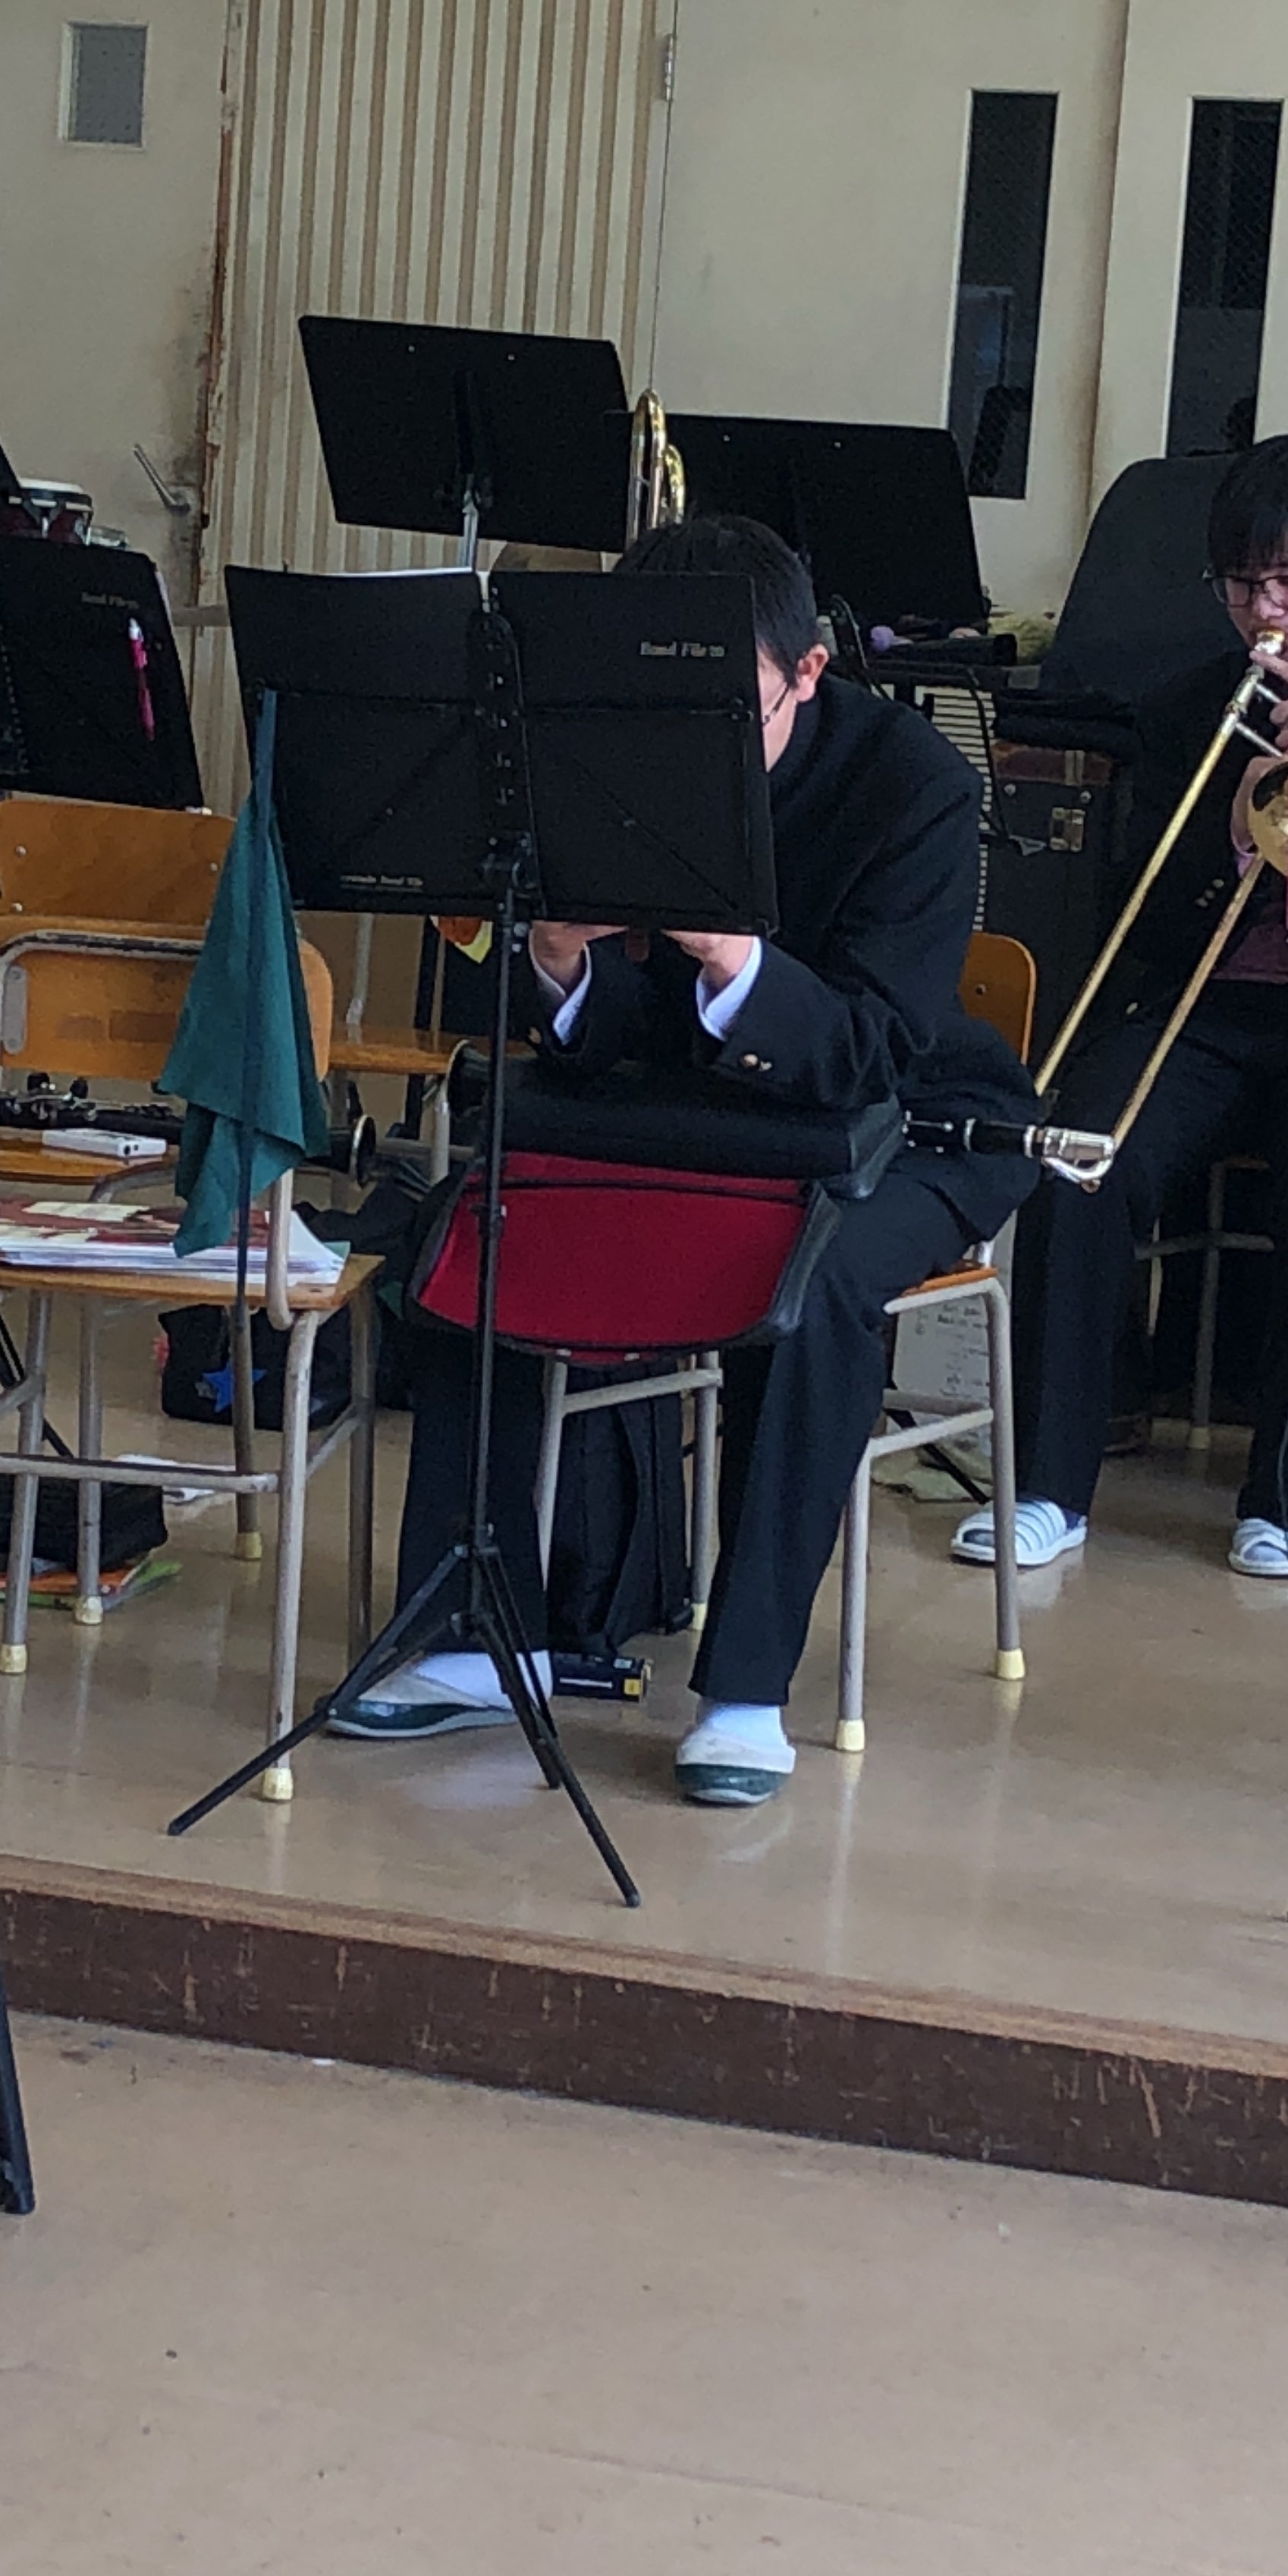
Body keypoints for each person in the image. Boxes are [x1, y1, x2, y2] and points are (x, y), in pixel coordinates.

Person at [332, 512, 1039, 1807]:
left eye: (728, 703)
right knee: (472, 1230)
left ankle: (747, 1689)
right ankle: (485, 1635)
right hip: (672, 1113)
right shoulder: (590, 745)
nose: (688, 733)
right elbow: (592, 1033)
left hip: (902, 1119)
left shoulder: (916, 784)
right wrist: (557, 959)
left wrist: (728, 956)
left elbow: (877, 1042)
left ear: (808, 672)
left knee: (817, 1286)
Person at [955, 430, 1288, 1585]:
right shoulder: (1188, 712)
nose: (1264, 611)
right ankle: (1047, 1485)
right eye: (1242, 584)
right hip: (1206, 1010)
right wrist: (1243, 817)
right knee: (1078, 1155)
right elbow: (1142, 913)